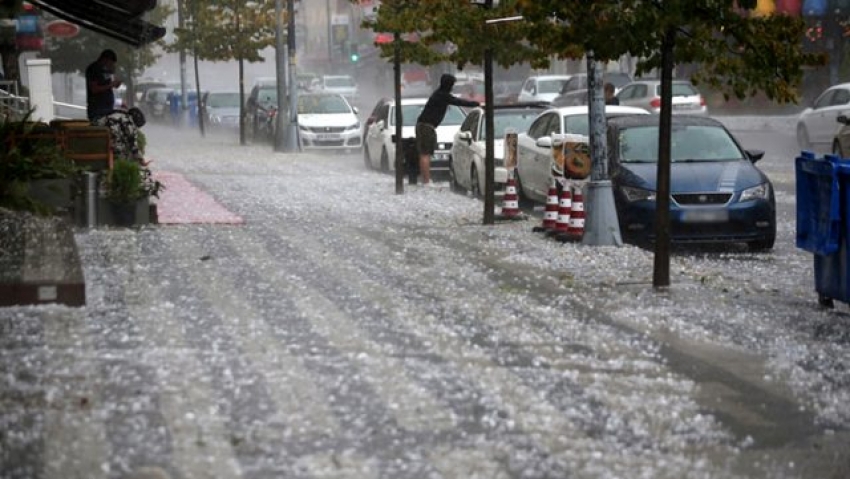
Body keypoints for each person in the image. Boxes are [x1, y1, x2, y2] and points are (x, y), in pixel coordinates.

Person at [416, 73, 480, 186]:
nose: (452, 87)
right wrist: (476, 103)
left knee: (424, 153)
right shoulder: (443, 95)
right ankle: (426, 181)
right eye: (452, 84)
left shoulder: (439, 94)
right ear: (449, 85)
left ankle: (424, 179)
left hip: (423, 125)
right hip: (427, 126)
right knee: (426, 153)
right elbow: (459, 102)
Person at [85, 49, 121, 123]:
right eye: (110, 63)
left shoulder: (106, 70)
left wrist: (115, 82)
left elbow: (110, 84)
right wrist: (111, 85)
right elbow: (94, 89)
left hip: (108, 108)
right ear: (105, 59)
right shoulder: (94, 69)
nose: (111, 65)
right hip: (97, 109)